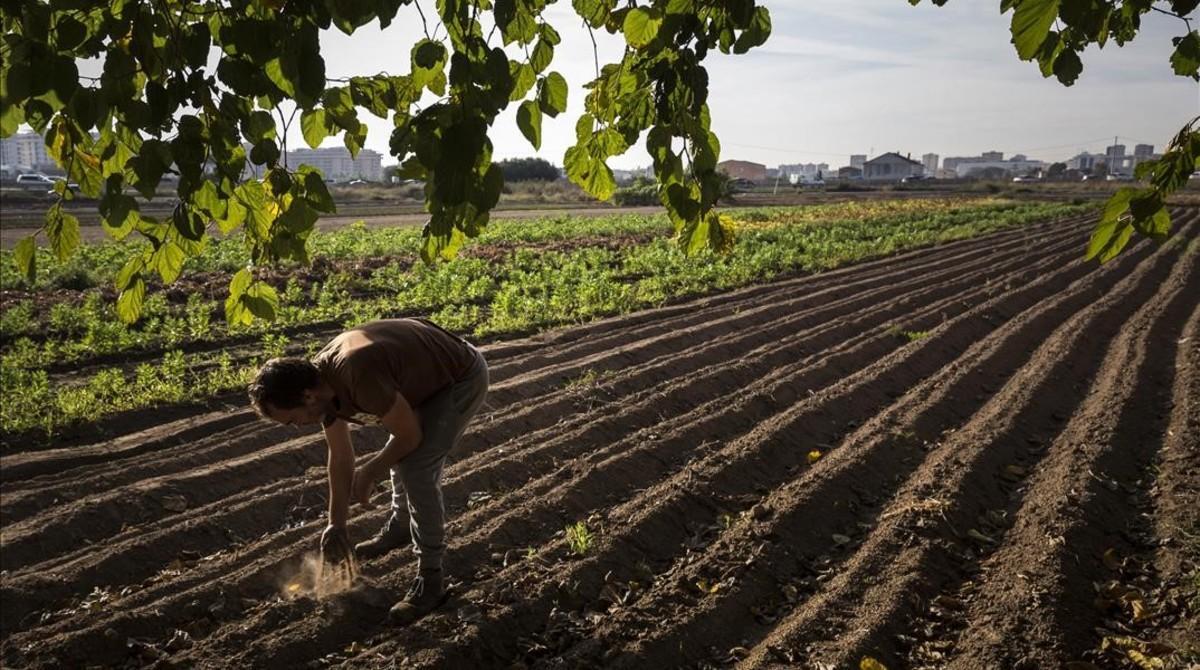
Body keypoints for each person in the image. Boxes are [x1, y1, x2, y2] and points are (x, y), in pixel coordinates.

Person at [247, 318, 489, 624]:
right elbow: (340, 456)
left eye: (292, 420)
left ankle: (431, 579)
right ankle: (402, 526)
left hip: (459, 376)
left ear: (306, 396)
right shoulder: (323, 389)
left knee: (416, 467)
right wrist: (336, 525)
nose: (297, 427)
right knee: (399, 454)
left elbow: (409, 436)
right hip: (420, 381)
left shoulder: (356, 373)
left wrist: (370, 472)